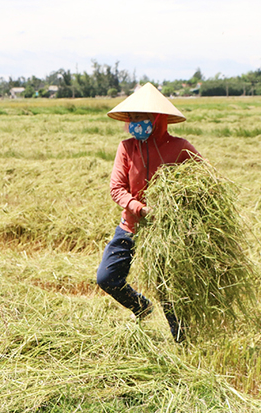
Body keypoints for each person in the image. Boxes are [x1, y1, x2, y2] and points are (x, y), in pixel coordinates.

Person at [96, 83, 200, 342]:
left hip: (165, 231)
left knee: (167, 288)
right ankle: (140, 306)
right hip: (132, 225)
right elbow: (117, 189)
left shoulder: (180, 147)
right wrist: (139, 209)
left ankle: (181, 340)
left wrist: (175, 206)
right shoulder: (126, 147)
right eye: (132, 119)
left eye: (142, 119)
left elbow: (203, 180)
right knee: (107, 278)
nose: (135, 124)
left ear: (158, 119)